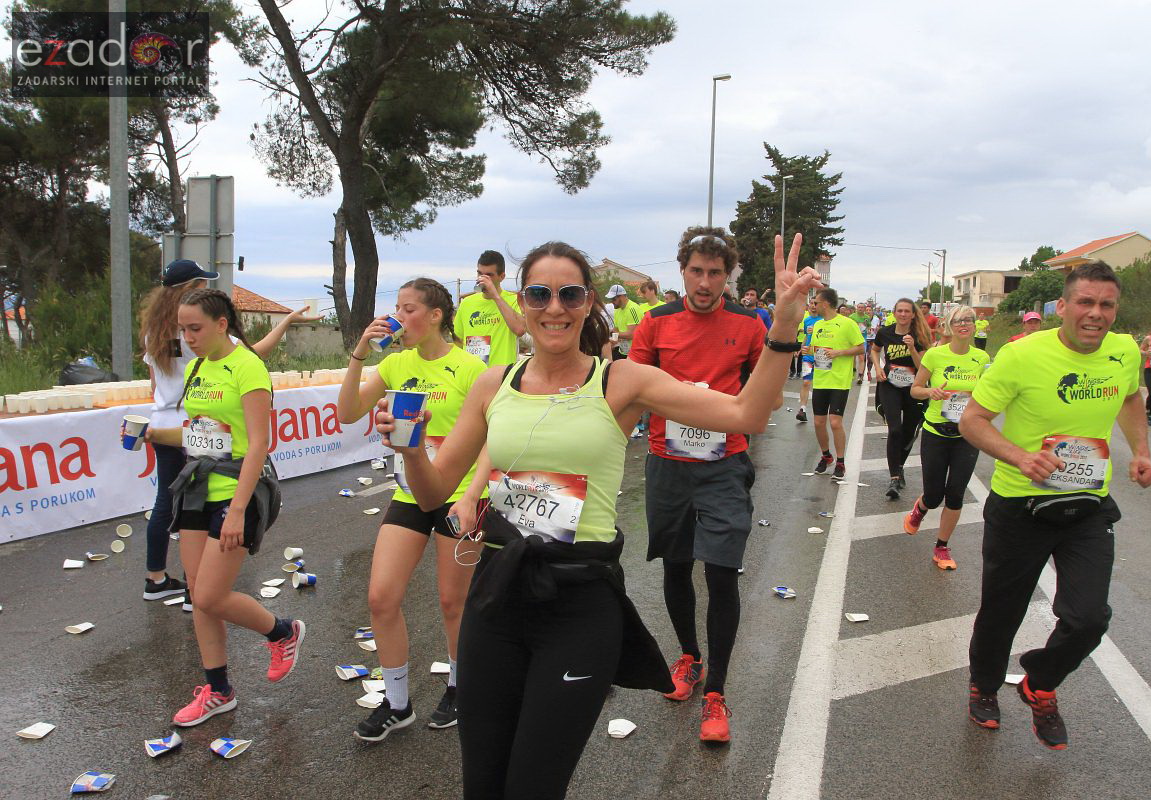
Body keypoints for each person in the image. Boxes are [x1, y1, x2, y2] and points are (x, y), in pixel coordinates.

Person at [378, 235, 821, 799]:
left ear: (588, 302)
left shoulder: (620, 380)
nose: (554, 308)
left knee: (533, 787)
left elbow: (747, 413)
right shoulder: (494, 385)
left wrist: (782, 327)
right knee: (482, 784)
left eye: (569, 294)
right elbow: (434, 490)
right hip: (497, 595)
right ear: (523, 300)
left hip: (578, 602)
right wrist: (413, 452)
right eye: (539, 294)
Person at [960, 262, 1151, 750]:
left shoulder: (1125, 350)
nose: (1096, 314)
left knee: (1090, 616)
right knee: (1002, 610)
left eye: (1106, 304)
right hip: (1020, 506)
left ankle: (1039, 682)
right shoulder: (1020, 355)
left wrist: (1142, 453)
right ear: (1063, 307)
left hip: (1087, 504)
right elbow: (973, 420)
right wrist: (1020, 456)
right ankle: (984, 686)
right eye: (1086, 303)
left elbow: (1133, 398)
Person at [629, 226, 785, 744]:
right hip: (667, 463)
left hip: (725, 464)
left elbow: (769, 394)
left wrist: (726, 407)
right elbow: (634, 390)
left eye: (715, 272)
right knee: (675, 565)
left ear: (728, 275)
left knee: (721, 574)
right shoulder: (653, 323)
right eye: (696, 271)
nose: (704, 281)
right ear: (682, 271)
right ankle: (689, 658)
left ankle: (716, 691)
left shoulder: (748, 323)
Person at [141, 288, 305, 728]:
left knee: (212, 594)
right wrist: (157, 435)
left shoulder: (247, 366)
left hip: (238, 491)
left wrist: (236, 510)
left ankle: (282, 631)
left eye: (195, 328)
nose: (188, 338)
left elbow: (258, 444)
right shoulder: (196, 367)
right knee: (199, 597)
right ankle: (218, 690)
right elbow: (197, 433)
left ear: (220, 324)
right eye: (183, 329)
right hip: (196, 487)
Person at [337, 278, 490, 740]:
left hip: (460, 494)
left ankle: (461, 689)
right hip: (410, 493)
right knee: (381, 598)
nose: (399, 318)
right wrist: (359, 353)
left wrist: (471, 497)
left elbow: (491, 440)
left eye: (409, 309)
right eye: (396, 309)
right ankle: (398, 702)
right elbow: (346, 413)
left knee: (452, 601)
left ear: (436, 315)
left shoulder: (469, 368)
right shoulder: (396, 363)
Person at [137, 259, 315, 609]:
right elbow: (249, 356)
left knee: (166, 503)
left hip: (164, 421)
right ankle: (200, 590)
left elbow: (154, 384)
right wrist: (287, 323)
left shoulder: (154, 331)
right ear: (191, 289)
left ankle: (157, 577)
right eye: (201, 284)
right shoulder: (203, 333)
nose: (190, 337)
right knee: (205, 501)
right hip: (199, 422)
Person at [904, 307, 990, 569]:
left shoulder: (982, 357)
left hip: (967, 434)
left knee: (955, 494)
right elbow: (915, 390)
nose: (964, 324)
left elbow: (989, 395)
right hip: (936, 432)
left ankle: (941, 546)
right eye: (958, 320)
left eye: (969, 320)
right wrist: (931, 392)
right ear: (949, 326)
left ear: (975, 326)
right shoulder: (935, 354)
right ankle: (920, 508)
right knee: (933, 494)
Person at [871, 298, 933, 499]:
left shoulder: (920, 335)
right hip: (890, 386)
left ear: (913, 314)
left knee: (909, 432)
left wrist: (913, 347)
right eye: (900, 311)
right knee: (895, 429)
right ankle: (894, 478)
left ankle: (900, 466)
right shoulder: (885, 332)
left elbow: (923, 365)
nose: (903, 314)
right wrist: (878, 368)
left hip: (914, 388)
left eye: (907, 311)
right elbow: (874, 349)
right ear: (894, 313)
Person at [808, 288, 864, 479]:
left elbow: (860, 347)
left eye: (816, 302)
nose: (814, 305)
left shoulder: (847, 324)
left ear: (825, 303)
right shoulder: (817, 325)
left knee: (835, 422)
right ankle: (826, 456)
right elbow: (816, 350)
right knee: (818, 422)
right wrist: (807, 350)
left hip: (839, 380)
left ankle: (841, 461)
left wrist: (839, 353)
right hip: (821, 379)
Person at [455, 250, 526, 367]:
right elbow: (458, 341)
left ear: (502, 276)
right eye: (480, 273)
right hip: (472, 376)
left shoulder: (513, 300)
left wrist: (495, 296)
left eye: (489, 275)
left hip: (501, 376)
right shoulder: (467, 303)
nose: (483, 279)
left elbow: (520, 329)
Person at [793, 297, 821, 422]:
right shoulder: (807, 320)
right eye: (812, 303)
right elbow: (806, 336)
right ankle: (802, 409)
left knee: (820, 384)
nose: (813, 306)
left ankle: (822, 411)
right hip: (808, 355)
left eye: (816, 304)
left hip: (821, 355)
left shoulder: (825, 320)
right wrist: (800, 348)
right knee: (806, 382)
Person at [606, 284, 644, 360]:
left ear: (622, 296)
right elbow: (616, 330)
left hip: (636, 353)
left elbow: (632, 335)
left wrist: (611, 333)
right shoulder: (617, 310)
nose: (612, 302)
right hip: (623, 351)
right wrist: (612, 342)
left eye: (614, 299)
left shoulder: (632, 308)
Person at [850, 303, 871, 383]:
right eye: (859, 307)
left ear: (864, 309)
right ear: (856, 308)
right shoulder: (852, 317)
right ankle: (853, 370)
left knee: (862, 358)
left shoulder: (867, 317)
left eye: (862, 307)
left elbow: (869, 326)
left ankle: (860, 376)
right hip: (853, 339)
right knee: (853, 357)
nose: (860, 309)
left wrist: (868, 329)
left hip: (862, 339)